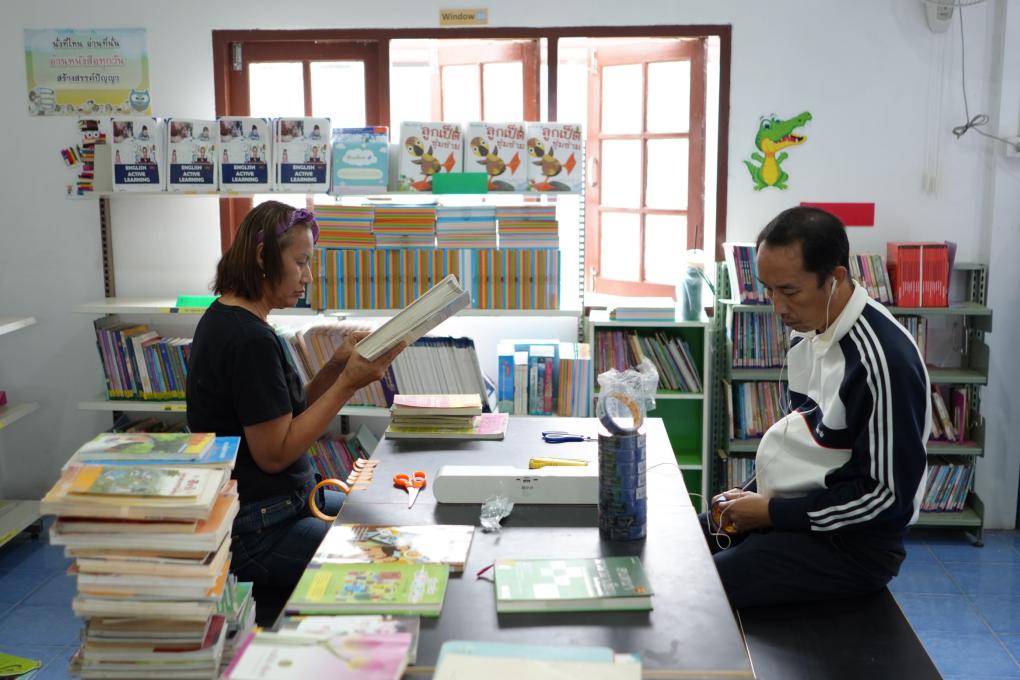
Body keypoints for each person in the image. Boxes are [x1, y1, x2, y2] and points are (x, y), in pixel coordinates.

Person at [703, 206, 930, 609]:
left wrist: (772, 513)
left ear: (835, 278)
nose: (777, 307)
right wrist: (753, 495)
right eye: (768, 290)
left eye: (789, 291)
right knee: (688, 545)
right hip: (801, 516)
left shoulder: (881, 362)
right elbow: (809, 449)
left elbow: (885, 498)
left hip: (853, 548)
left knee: (702, 591)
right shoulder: (808, 330)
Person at [186, 200, 404, 592]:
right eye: (301, 262)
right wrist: (348, 384)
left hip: (286, 506)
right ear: (262, 256)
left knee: (392, 526)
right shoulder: (250, 339)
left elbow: (286, 414)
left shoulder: (228, 317)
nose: (309, 276)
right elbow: (274, 454)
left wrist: (336, 366)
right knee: (391, 559)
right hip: (263, 531)